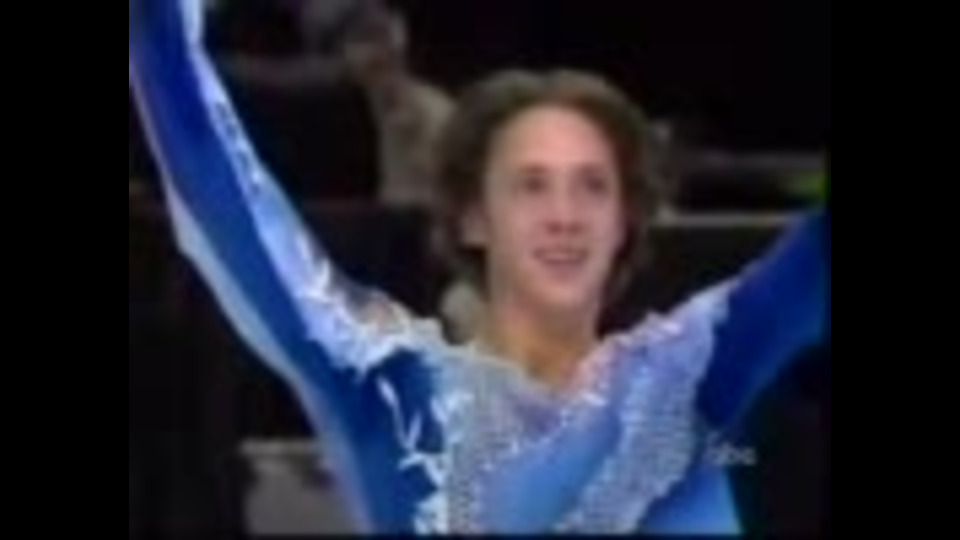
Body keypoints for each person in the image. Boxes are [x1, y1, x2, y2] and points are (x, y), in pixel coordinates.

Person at [129, 0, 828, 533]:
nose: (564, 214)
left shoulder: (695, 372)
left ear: (624, 222)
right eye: (530, 185)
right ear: (472, 216)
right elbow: (225, 196)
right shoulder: (390, 389)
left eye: (592, 186)